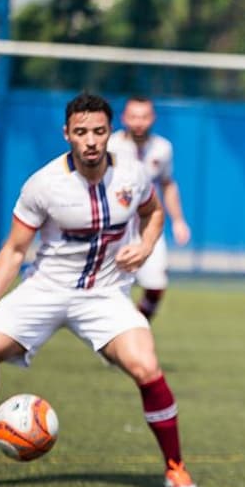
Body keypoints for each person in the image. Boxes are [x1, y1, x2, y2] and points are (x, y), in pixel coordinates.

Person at [0, 92, 198, 487]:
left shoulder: (133, 175)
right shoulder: (43, 184)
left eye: (99, 131)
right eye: (80, 132)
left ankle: (175, 466)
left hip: (105, 294)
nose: (90, 141)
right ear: (66, 134)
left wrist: (144, 247)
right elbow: (15, 249)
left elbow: (153, 212)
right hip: (46, 289)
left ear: (110, 133)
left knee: (146, 367)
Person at [109, 95, 191, 322]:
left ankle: (134, 328)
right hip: (116, 227)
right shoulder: (111, 146)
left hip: (148, 225)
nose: (139, 122)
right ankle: (118, 336)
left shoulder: (162, 148)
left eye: (144, 117)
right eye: (134, 116)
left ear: (152, 118)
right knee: (112, 287)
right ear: (124, 117)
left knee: (156, 286)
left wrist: (178, 220)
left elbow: (167, 184)